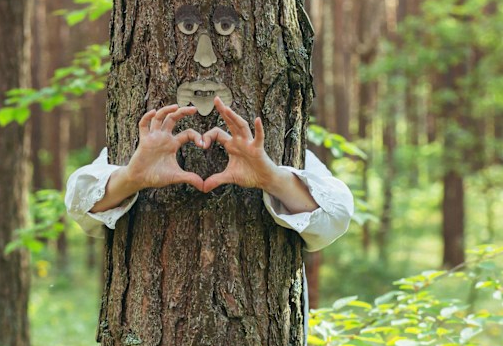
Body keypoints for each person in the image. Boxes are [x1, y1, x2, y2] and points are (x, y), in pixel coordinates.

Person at [66, 97, 354, 251]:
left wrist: (271, 178)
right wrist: (132, 177)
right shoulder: (123, 149)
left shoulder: (298, 154)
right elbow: (78, 203)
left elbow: (336, 216)